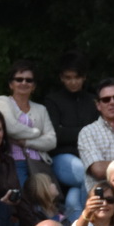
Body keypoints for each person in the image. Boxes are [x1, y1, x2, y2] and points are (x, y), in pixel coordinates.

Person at [42, 51, 96, 214]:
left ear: (84, 77)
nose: (73, 82)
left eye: (77, 77)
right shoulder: (52, 100)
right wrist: (87, 131)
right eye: (68, 77)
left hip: (89, 157)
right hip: (62, 158)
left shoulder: (93, 100)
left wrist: (68, 132)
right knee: (90, 175)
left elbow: (99, 130)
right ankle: (94, 222)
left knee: (73, 201)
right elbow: (55, 136)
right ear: (61, 78)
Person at [0, 60, 55, 186]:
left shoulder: (41, 109)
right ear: (11, 84)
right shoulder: (2, 102)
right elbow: (11, 128)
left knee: (43, 202)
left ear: (34, 86)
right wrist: (37, 133)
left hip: (39, 163)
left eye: (28, 80)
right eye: (19, 79)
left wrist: (26, 142)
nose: (24, 83)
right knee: (23, 201)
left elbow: (52, 141)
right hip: (14, 161)